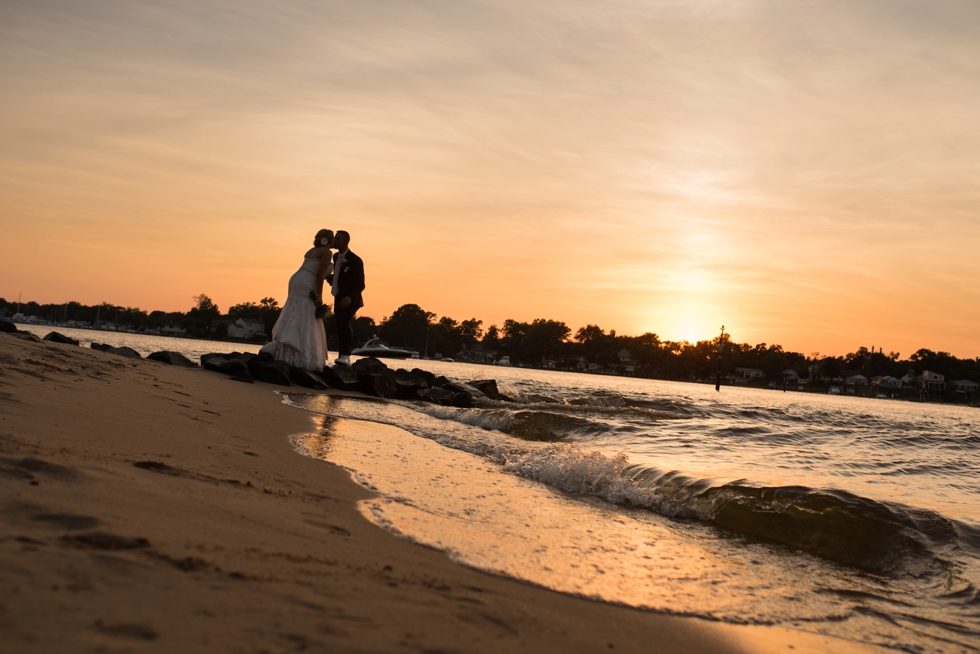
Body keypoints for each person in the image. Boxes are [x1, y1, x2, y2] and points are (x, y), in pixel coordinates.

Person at [259, 229, 334, 370]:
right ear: (329, 240)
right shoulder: (326, 252)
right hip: (307, 282)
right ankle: (300, 354)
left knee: (294, 309)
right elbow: (319, 274)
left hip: (297, 279)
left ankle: (285, 351)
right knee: (307, 311)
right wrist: (319, 296)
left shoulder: (312, 250)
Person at [329, 230, 365, 366]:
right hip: (338, 297)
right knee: (339, 325)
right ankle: (341, 356)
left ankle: (346, 355)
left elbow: (360, 284)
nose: (334, 241)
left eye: (337, 239)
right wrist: (332, 279)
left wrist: (350, 298)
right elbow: (341, 275)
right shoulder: (335, 256)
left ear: (345, 242)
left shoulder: (355, 260)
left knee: (345, 322)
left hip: (352, 299)